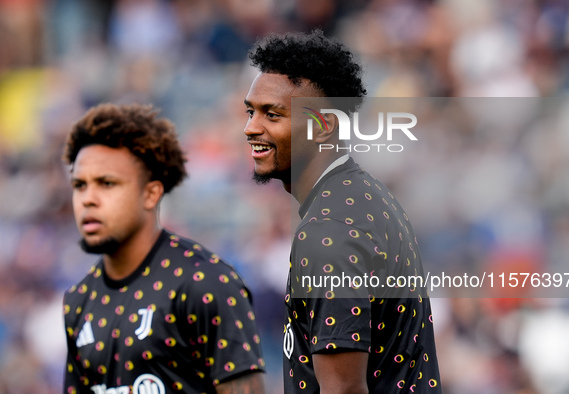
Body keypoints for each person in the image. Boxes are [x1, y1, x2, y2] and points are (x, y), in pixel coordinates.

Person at [243, 30, 441, 393]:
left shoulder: (329, 231)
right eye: (250, 111)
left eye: (272, 114)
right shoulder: (367, 196)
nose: (251, 127)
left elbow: (344, 390)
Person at [62, 104, 265, 393]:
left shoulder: (205, 282)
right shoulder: (78, 301)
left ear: (150, 193)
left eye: (106, 183)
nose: (88, 199)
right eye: (80, 185)